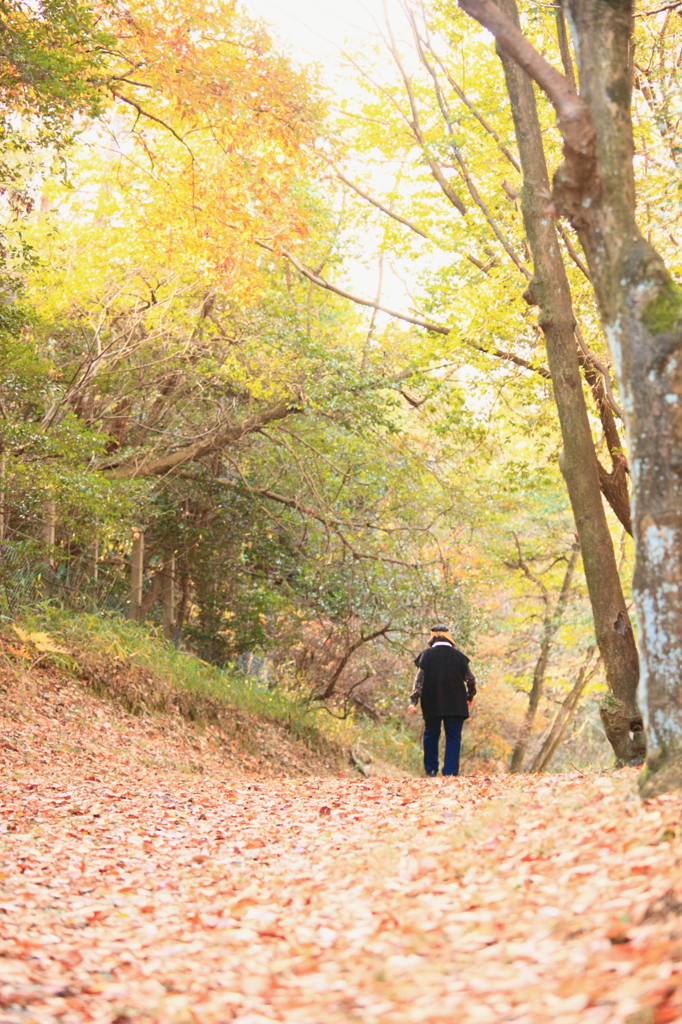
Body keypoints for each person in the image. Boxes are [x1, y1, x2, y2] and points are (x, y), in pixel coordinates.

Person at [407, 624, 476, 777]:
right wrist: (469, 695)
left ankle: (431, 770)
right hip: (456, 703)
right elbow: (470, 679)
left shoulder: (426, 655)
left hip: (432, 701)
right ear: (450, 638)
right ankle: (450, 772)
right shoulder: (459, 656)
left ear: (432, 638)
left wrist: (414, 701)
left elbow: (420, 680)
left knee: (431, 733)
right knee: (453, 736)